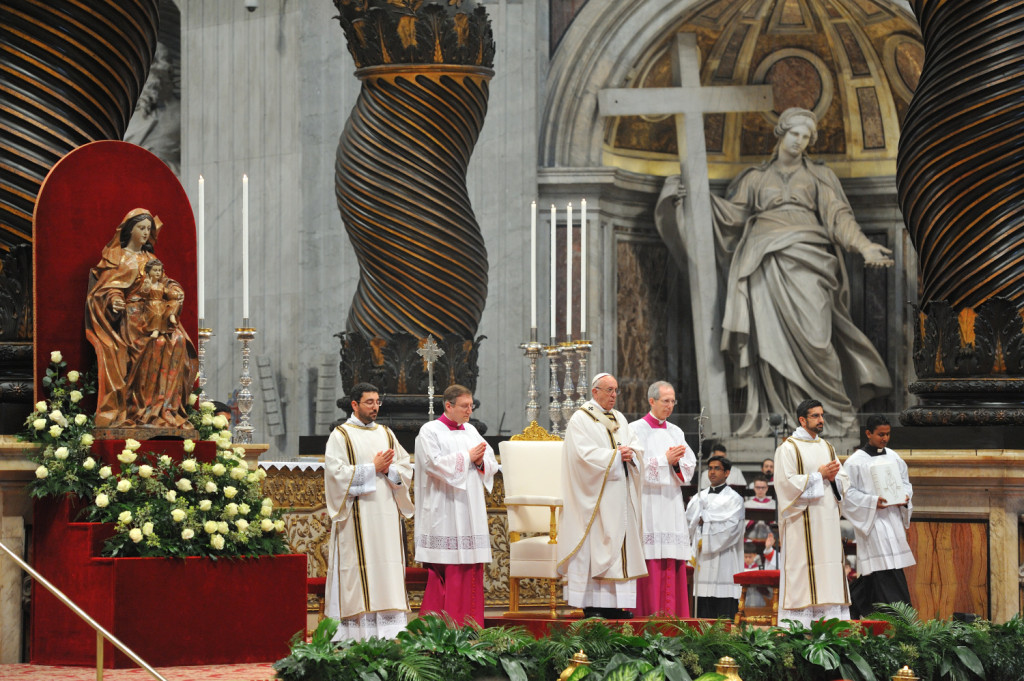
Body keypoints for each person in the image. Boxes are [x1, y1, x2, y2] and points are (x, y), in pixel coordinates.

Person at [710, 108, 893, 436]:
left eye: (806, 137)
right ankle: (780, 419)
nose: (800, 141)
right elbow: (732, 217)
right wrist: (694, 199)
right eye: (795, 133)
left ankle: (834, 415)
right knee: (769, 344)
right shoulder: (754, 178)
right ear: (781, 132)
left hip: (809, 262)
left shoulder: (818, 176)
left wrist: (864, 246)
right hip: (764, 263)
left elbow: (839, 218)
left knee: (817, 341)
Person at [85, 208, 197, 428]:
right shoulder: (118, 258)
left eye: (148, 229)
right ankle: (140, 409)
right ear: (130, 229)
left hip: (155, 314)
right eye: (141, 228)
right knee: (154, 344)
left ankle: (164, 408)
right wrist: (114, 300)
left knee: (178, 341)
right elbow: (106, 289)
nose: (146, 233)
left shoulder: (151, 258)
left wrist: (175, 289)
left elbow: (164, 282)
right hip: (133, 318)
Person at [324, 382, 413, 641]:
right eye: (369, 402)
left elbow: (405, 468)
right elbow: (335, 474)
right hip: (356, 515)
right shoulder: (340, 435)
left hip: (385, 515)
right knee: (358, 570)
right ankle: (355, 634)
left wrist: (389, 471)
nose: (375, 407)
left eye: (377, 402)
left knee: (386, 569)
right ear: (354, 404)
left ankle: (389, 632)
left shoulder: (386, 433)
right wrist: (371, 468)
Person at [558, 372, 646, 619]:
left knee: (620, 547)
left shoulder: (619, 418)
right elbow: (582, 456)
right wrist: (616, 456)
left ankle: (617, 605)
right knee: (597, 545)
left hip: (621, 494)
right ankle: (593, 604)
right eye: (609, 390)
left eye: (616, 390)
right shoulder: (581, 419)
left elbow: (636, 446)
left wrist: (631, 454)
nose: (613, 395)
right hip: (596, 497)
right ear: (595, 392)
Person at [414, 384, 498, 625]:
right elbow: (433, 464)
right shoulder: (430, 431)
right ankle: (442, 627)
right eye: (464, 406)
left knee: (470, 568)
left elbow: (490, 462)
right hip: (445, 508)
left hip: (470, 508)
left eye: (471, 406)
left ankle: (471, 626)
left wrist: (481, 462)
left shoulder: (471, 431)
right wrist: (467, 458)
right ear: (448, 406)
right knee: (448, 569)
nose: (469, 411)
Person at [774, 399, 851, 626]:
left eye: (822, 415)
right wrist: (818, 476)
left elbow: (843, 480)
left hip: (826, 522)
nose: (821, 420)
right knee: (803, 576)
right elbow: (785, 485)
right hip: (801, 524)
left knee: (828, 570)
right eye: (816, 416)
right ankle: (800, 626)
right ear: (802, 419)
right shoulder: (787, 449)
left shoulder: (827, 447)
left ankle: (830, 624)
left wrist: (834, 477)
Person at [629, 380, 695, 617]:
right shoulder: (635, 429)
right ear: (652, 401)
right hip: (648, 502)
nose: (670, 406)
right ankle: (646, 614)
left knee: (671, 556)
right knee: (650, 556)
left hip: (670, 502)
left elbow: (689, 467)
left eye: (672, 401)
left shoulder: (676, 431)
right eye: (665, 401)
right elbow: (633, 467)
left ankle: (673, 615)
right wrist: (664, 460)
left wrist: (676, 462)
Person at [841, 415, 914, 617]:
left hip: (893, 520)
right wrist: (872, 502)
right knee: (883, 570)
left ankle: (852, 610)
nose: (885, 438)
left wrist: (905, 497)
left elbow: (906, 483)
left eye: (888, 434)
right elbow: (847, 494)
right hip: (872, 523)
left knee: (878, 572)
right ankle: (899, 617)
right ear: (868, 433)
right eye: (881, 434)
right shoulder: (855, 462)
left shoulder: (894, 457)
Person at [686, 455, 745, 619]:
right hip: (701, 561)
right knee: (701, 609)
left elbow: (732, 530)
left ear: (727, 473)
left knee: (723, 612)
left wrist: (706, 522)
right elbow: (688, 524)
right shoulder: (698, 497)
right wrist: (698, 523)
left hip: (724, 559)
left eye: (716, 468)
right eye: (710, 468)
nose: (712, 472)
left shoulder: (734, 499)